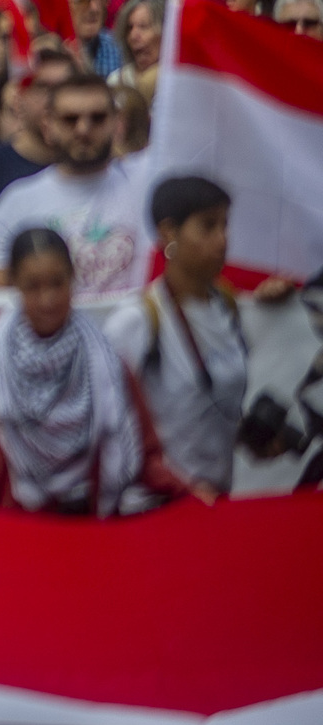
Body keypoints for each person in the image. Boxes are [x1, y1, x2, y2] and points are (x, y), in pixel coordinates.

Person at [0, 228, 200, 513]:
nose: (47, 299)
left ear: (73, 278)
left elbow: (146, 457)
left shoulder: (110, 365)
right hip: (10, 535)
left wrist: (191, 494)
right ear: (14, 285)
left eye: (57, 284)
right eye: (33, 286)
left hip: (89, 533)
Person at [102, 175, 280, 497]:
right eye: (208, 226)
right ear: (168, 233)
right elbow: (112, 432)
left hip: (219, 503)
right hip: (158, 507)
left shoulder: (231, 308)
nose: (223, 239)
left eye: (225, 225)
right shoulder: (136, 323)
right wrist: (177, 486)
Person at [0, 72, 147, 296]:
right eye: (70, 119)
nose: (83, 129)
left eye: (97, 118)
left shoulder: (145, 180)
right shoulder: (17, 201)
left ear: (117, 123)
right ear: (48, 126)